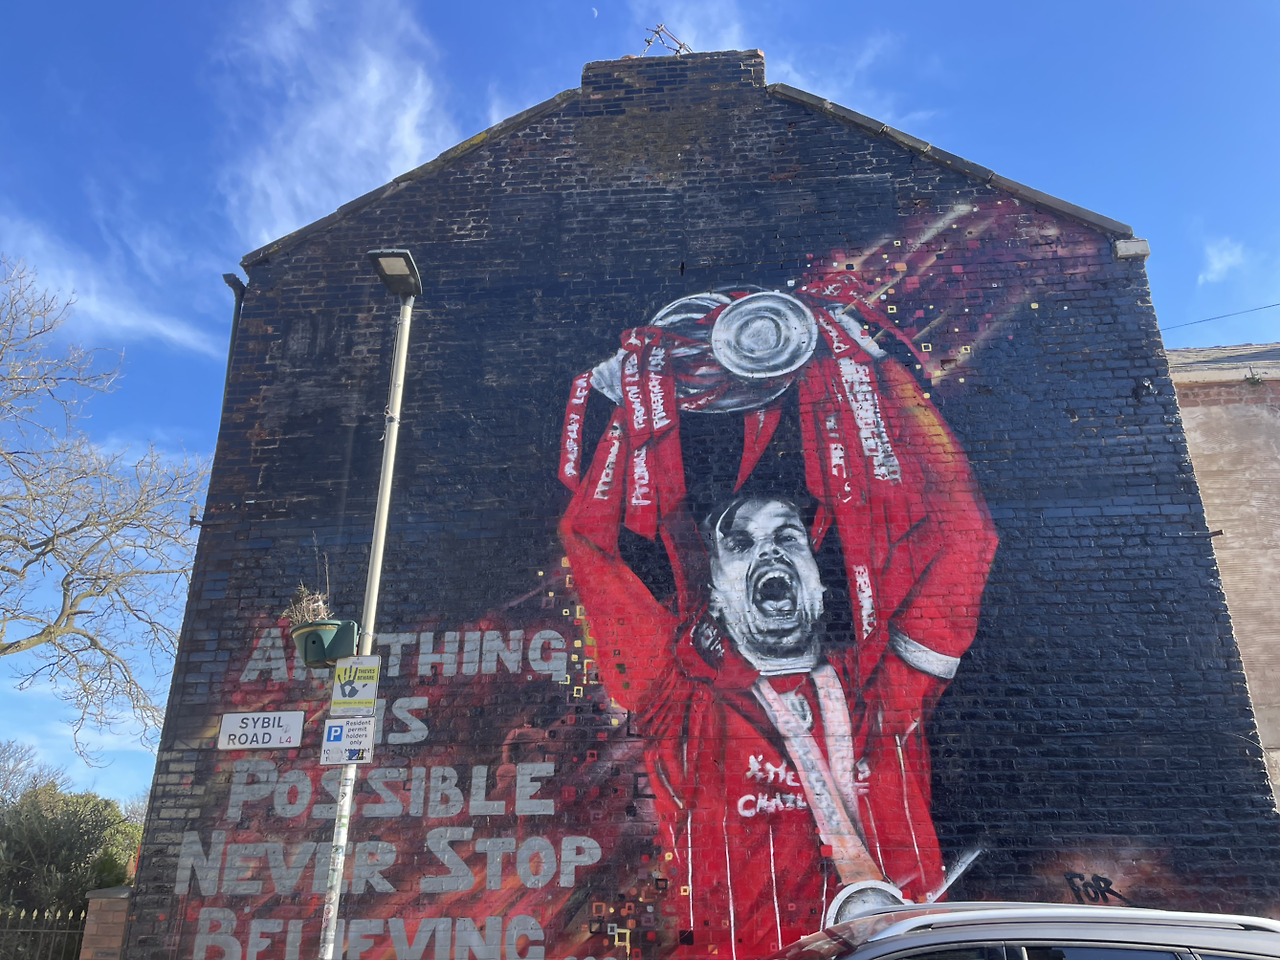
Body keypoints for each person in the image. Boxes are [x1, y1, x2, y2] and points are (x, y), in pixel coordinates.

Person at [560, 279, 997, 956]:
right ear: (715, 587)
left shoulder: (885, 692)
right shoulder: (679, 701)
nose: (768, 551)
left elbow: (966, 532)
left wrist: (873, 367)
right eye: (740, 544)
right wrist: (630, 414)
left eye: (787, 537)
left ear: (816, 577)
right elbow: (591, 545)